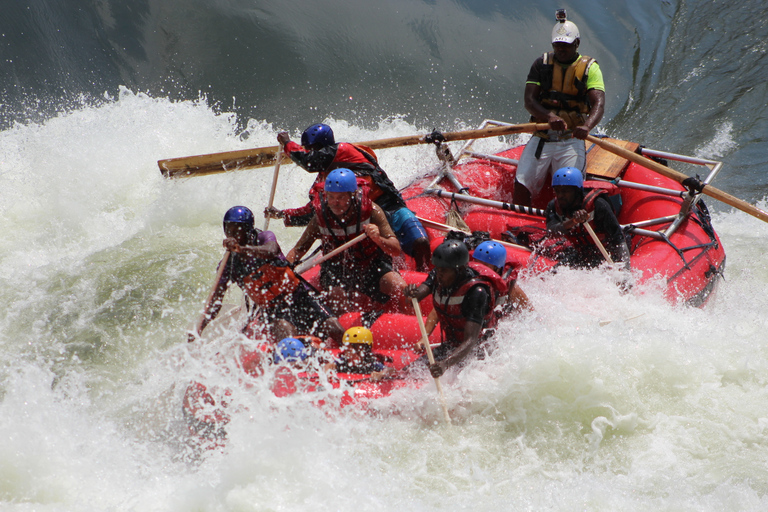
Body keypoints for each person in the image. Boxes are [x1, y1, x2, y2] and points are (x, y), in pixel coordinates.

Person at [266, 123, 431, 270]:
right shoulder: (325, 181)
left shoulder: (344, 150)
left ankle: (424, 274)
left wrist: (287, 143)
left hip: (389, 206)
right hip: (360, 216)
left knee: (420, 242)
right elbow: (313, 211)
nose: (310, 152)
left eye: (312, 149)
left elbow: (309, 161)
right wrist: (282, 214)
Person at [192, 206, 344, 344]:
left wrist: (242, 249)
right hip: (274, 311)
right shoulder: (228, 266)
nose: (234, 234)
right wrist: (199, 329)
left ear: (249, 229)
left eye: (239, 230)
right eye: (230, 230)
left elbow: (271, 251)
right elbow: (216, 300)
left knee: (336, 329)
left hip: (300, 296)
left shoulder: (264, 237)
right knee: (290, 343)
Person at [513, 10, 606, 208]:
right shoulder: (541, 64)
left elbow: (598, 103)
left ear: (577, 43)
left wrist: (587, 126)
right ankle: (519, 224)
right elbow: (529, 101)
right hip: (543, 136)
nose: (561, 49)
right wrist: (549, 117)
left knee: (571, 188)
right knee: (522, 182)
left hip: (571, 138)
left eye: (566, 45)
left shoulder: (590, 68)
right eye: (557, 44)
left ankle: (566, 224)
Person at [286, 169, 408, 315]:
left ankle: (410, 325)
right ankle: (345, 330)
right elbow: (299, 250)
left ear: (353, 195)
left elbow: (395, 249)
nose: (335, 203)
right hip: (336, 270)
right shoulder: (320, 217)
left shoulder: (372, 211)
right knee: (337, 297)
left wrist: (378, 239)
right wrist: (284, 270)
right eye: (330, 197)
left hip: (370, 265)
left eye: (341, 197)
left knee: (401, 288)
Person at [404, 240, 507, 378]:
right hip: (451, 347)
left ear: (459, 270)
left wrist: (445, 364)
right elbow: (416, 298)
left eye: (444, 270)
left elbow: (471, 340)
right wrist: (412, 294)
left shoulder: (477, 292)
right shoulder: (438, 274)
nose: (439, 273)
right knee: (407, 374)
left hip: (478, 354)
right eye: (438, 268)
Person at [543, 167, 631, 271]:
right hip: (583, 254)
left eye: (565, 191)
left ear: (577, 191)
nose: (560, 195)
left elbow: (618, 239)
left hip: (608, 254)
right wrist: (573, 221)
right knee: (553, 274)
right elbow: (551, 232)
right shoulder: (553, 206)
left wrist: (625, 272)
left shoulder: (598, 205)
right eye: (557, 191)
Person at [472, 240, 534, 316]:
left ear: (497, 269)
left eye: (485, 266)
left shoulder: (510, 285)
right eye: (477, 263)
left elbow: (529, 310)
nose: (479, 269)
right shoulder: (467, 277)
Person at [327, 327, 394, 381]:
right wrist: (326, 373)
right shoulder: (344, 361)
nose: (346, 353)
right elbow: (330, 365)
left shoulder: (370, 363)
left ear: (362, 349)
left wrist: (381, 374)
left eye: (348, 349)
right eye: (346, 349)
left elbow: (391, 370)